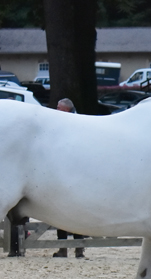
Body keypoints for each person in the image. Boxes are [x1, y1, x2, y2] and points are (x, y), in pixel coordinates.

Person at [52, 98, 86, 259]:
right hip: (65, 170)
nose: (55, 109)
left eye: (58, 107)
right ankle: (64, 247)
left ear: (65, 110)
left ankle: (78, 248)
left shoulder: (74, 123)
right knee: (61, 212)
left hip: (73, 171)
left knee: (75, 212)